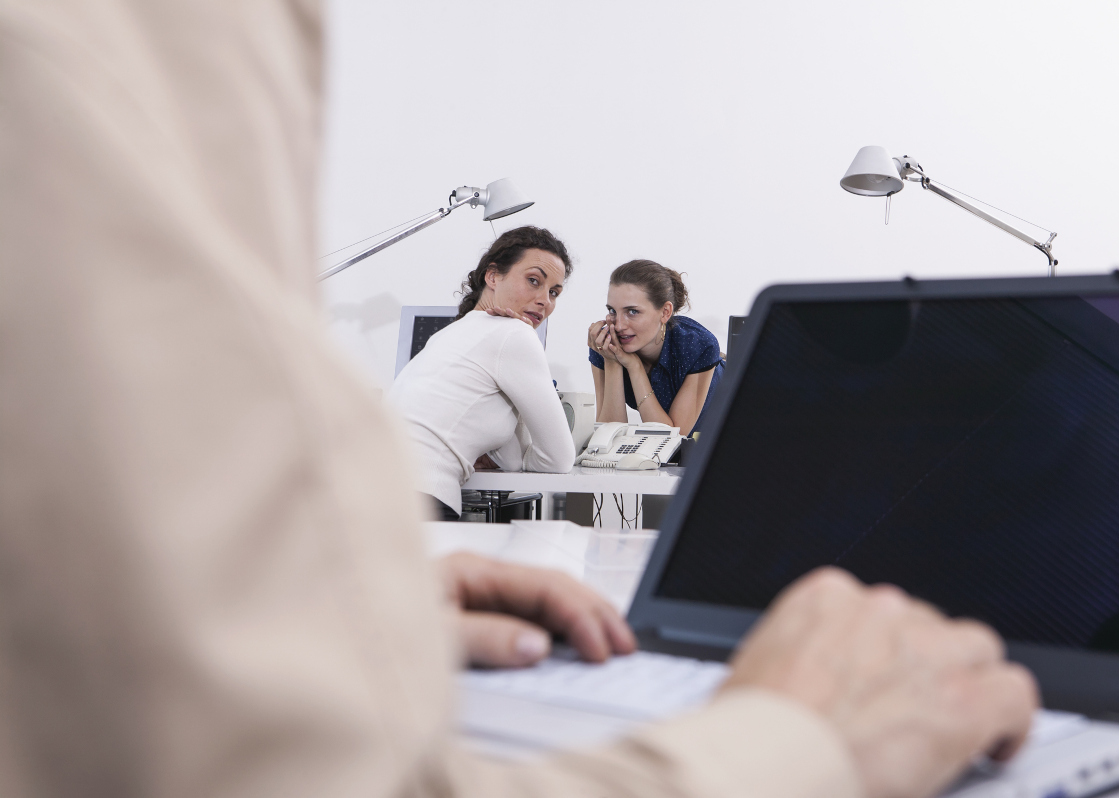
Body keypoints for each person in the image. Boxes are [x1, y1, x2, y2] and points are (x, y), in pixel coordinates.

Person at [0, 2, 1038, 798]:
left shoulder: (679, 347)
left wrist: (376, 598)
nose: (564, 305)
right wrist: (790, 745)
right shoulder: (507, 340)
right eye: (546, 285)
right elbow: (563, 456)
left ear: (666, 312)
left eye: (577, 294)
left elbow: (661, 435)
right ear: (492, 279)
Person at [388, 226, 576, 520]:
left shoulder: (448, 335)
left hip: (367, 487)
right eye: (533, 281)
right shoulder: (515, 335)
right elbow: (559, 459)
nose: (545, 300)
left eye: (553, 292)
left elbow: (510, 460)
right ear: (493, 276)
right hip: (417, 498)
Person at [589, 260, 724, 436]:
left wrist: (635, 367)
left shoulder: (696, 345)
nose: (619, 325)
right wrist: (612, 362)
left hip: (735, 419)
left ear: (665, 312)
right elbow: (608, 436)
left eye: (632, 311)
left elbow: (673, 438)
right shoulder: (606, 343)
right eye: (613, 311)